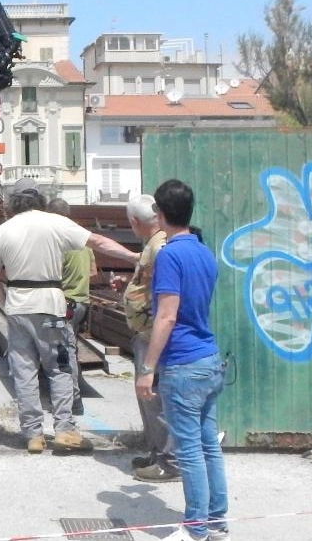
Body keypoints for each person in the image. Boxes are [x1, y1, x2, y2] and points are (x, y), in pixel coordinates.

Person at [0, 184, 140, 454]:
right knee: (59, 367)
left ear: (12, 206)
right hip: (50, 303)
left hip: (18, 304)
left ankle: (32, 434)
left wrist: (5, 303)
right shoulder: (55, 222)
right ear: (41, 203)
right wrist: (135, 256)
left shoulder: (3, 230)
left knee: (24, 371)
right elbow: (98, 242)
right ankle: (64, 430)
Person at [135, 180, 229, 541]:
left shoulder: (170, 255)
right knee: (208, 448)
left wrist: (147, 368)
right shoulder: (204, 251)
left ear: (159, 214)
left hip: (183, 365)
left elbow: (167, 316)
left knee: (189, 452)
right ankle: (217, 523)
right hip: (208, 359)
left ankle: (195, 530)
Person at [122, 193, 179, 483]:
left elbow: (165, 294)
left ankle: (169, 461)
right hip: (145, 329)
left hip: (150, 332)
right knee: (149, 398)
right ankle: (158, 452)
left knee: (154, 397)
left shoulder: (160, 247)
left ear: (134, 222)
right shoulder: (154, 244)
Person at [47, 198, 93, 417]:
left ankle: (74, 400)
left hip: (66, 303)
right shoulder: (84, 242)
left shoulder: (61, 244)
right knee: (70, 347)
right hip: (82, 301)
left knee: (65, 352)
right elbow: (92, 272)